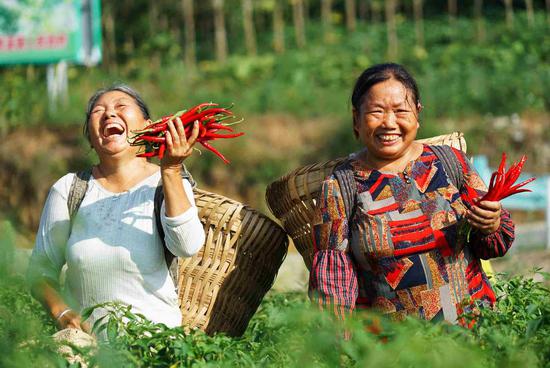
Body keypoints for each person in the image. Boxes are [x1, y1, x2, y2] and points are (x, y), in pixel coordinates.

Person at [308, 63, 514, 324]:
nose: (389, 123)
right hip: (397, 351)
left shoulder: (451, 163)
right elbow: (333, 285)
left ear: (418, 114)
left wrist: (491, 224)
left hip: (476, 335)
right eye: (376, 112)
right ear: (356, 120)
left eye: (400, 111)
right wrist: (338, 352)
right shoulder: (341, 186)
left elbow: (495, 244)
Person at [27, 84, 206, 332]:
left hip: (153, 346)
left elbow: (187, 246)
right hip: (86, 347)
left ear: (148, 126)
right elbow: (39, 273)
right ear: (90, 138)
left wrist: (172, 170)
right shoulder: (69, 189)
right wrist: (62, 312)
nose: (109, 114)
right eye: (97, 111)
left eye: (121, 106)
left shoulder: (166, 182)